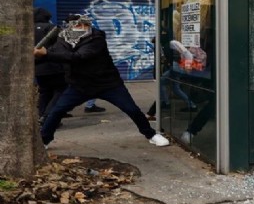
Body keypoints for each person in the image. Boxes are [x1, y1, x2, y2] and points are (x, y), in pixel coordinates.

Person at [34, 14, 169, 147]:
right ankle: (44, 140)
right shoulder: (63, 40)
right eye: (76, 26)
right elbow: (53, 53)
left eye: (84, 25)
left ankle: (151, 135)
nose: (81, 28)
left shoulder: (96, 38)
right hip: (79, 86)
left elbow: (80, 56)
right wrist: (38, 55)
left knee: (132, 109)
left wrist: (47, 53)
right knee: (57, 111)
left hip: (108, 84)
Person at [34, 7, 69, 123]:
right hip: (55, 66)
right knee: (60, 90)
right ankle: (48, 116)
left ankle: (41, 116)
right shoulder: (52, 28)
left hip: (38, 68)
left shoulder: (26, 29)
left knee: (44, 92)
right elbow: (63, 45)